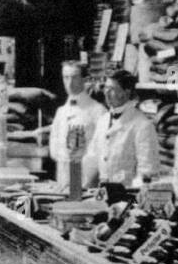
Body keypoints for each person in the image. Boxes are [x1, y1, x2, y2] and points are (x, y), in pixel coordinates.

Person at [84, 68, 158, 191]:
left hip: (128, 196)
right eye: (105, 88)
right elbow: (92, 158)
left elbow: (147, 171)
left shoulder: (142, 125)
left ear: (126, 92)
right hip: (101, 194)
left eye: (112, 89)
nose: (106, 93)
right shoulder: (103, 120)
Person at [49, 60, 105, 189]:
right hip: (63, 178)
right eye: (66, 77)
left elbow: (100, 150)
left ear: (84, 79)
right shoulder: (61, 112)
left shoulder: (97, 111)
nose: (69, 82)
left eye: (74, 77)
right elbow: (55, 147)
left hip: (86, 180)